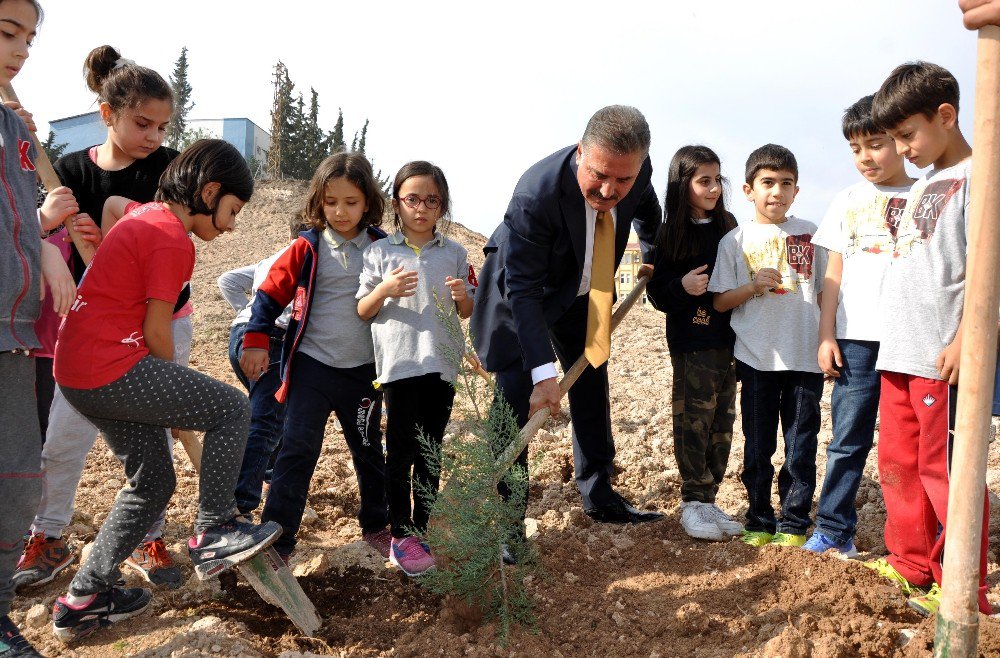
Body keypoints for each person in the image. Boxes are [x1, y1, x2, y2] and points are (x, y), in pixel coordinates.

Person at [51, 140, 281, 642]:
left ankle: (84, 597)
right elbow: (159, 332)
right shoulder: (171, 237)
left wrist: (168, 399)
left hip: (81, 371)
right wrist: (174, 403)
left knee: (153, 481)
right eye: (232, 211)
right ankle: (214, 530)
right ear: (209, 191)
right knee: (231, 407)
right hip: (109, 367)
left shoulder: (147, 215)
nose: (231, 225)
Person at [15, 44, 186, 592]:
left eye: (162, 126)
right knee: (64, 437)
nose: (154, 136)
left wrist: (113, 240)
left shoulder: (170, 171)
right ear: (107, 114)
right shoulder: (67, 173)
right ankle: (50, 536)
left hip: (162, 319)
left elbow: (175, 242)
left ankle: (149, 535)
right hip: (94, 329)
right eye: (142, 123)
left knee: (153, 438)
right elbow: (43, 242)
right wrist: (63, 233)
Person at [471, 105, 663, 530]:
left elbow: (650, 212)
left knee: (592, 379)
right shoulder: (535, 196)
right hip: (525, 296)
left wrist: (653, 256)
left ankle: (599, 494)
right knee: (516, 397)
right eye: (599, 175)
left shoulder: (638, 173)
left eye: (623, 179)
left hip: (585, 292)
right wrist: (543, 374)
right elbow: (520, 290)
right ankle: (507, 521)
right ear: (581, 152)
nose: (610, 190)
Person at [862, 61, 991, 617]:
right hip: (900, 352)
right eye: (894, 139)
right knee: (897, 464)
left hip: (941, 355)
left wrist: (967, 338)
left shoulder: (981, 178)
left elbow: (990, 270)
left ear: (946, 115)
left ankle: (963, 582)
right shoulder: (926, 184)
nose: (902, 149)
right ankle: (911, 565)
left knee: (946, 470)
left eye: (907, 135)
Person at [241, 153, 391, 563]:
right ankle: (279, 541)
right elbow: (269, 295)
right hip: (312, 367)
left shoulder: (382, 247)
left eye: (351, 202)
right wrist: (255, 337)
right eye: (331, 202)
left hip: (363, 373)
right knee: (296, 451)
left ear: (367, 203)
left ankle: (377, 525)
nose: (341, 212)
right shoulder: (306, 247)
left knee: (367, 449)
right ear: (318, 202)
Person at [801, 95, 914, 559]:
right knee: (847, 440)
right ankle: (833, 529)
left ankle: (915, 541)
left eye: (876, 144)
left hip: (912, 338)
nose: (865, 157)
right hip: (855, 340)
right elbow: (832, 274)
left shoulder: (925, 196)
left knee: (906, 446)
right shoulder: (847, 200)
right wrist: (826, 334)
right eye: (855, 148)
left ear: (902, 141)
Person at [0, 2, 77, 654]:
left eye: (29, 38)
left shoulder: (10, 127)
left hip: (19, 327)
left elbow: (21, 217)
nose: (21, 51)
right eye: (6, 34)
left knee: (18, 478)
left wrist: (46, 231)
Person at [357, 161, 475, 576]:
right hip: (399, 365)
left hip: (440, 364)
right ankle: (400, 533)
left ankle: (421, 530)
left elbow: (465, 311)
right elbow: (363, 309)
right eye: (412, 199)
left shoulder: (455, 253)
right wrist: (386, 289)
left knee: (430, 450)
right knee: (400, 450)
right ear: (396, 203)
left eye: (431, 200)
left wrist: (463, 296)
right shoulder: (379, 252)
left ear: (442, 206)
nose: (421, 208)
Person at [708, 144, 826, 548]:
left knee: (801, 446)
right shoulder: (734, 241)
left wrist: (829, 341)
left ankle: (794, 524)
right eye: (767, 183)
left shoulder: (812, 234)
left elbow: (830, 293)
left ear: (796, 190)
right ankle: (759, 518)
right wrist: (753, 286)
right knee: (758, 447)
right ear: (748, 189)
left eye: (785, 183)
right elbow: (720, 301)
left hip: (806, 358)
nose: (776, 191)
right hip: (756, 358)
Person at [645, 145, 741, 542]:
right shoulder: (669, 233)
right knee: (693, 420)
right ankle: (692, 502)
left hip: (731, 342)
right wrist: (681, 287)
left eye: (717, 179)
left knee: (723, 421)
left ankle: (710, 497)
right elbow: (656, 294)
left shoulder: (729, 225)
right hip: (691, 342)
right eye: (704, 181)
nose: (714, 188)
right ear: (683, 185)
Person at [219, 217, 300, 521]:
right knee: (265, 421)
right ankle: (240, 508)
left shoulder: (273, 258)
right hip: (270, 338)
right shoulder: (310, 256)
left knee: (275, 415)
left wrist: (244, 312)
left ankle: (266, 473)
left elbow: (227, 280)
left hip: (242, 335)